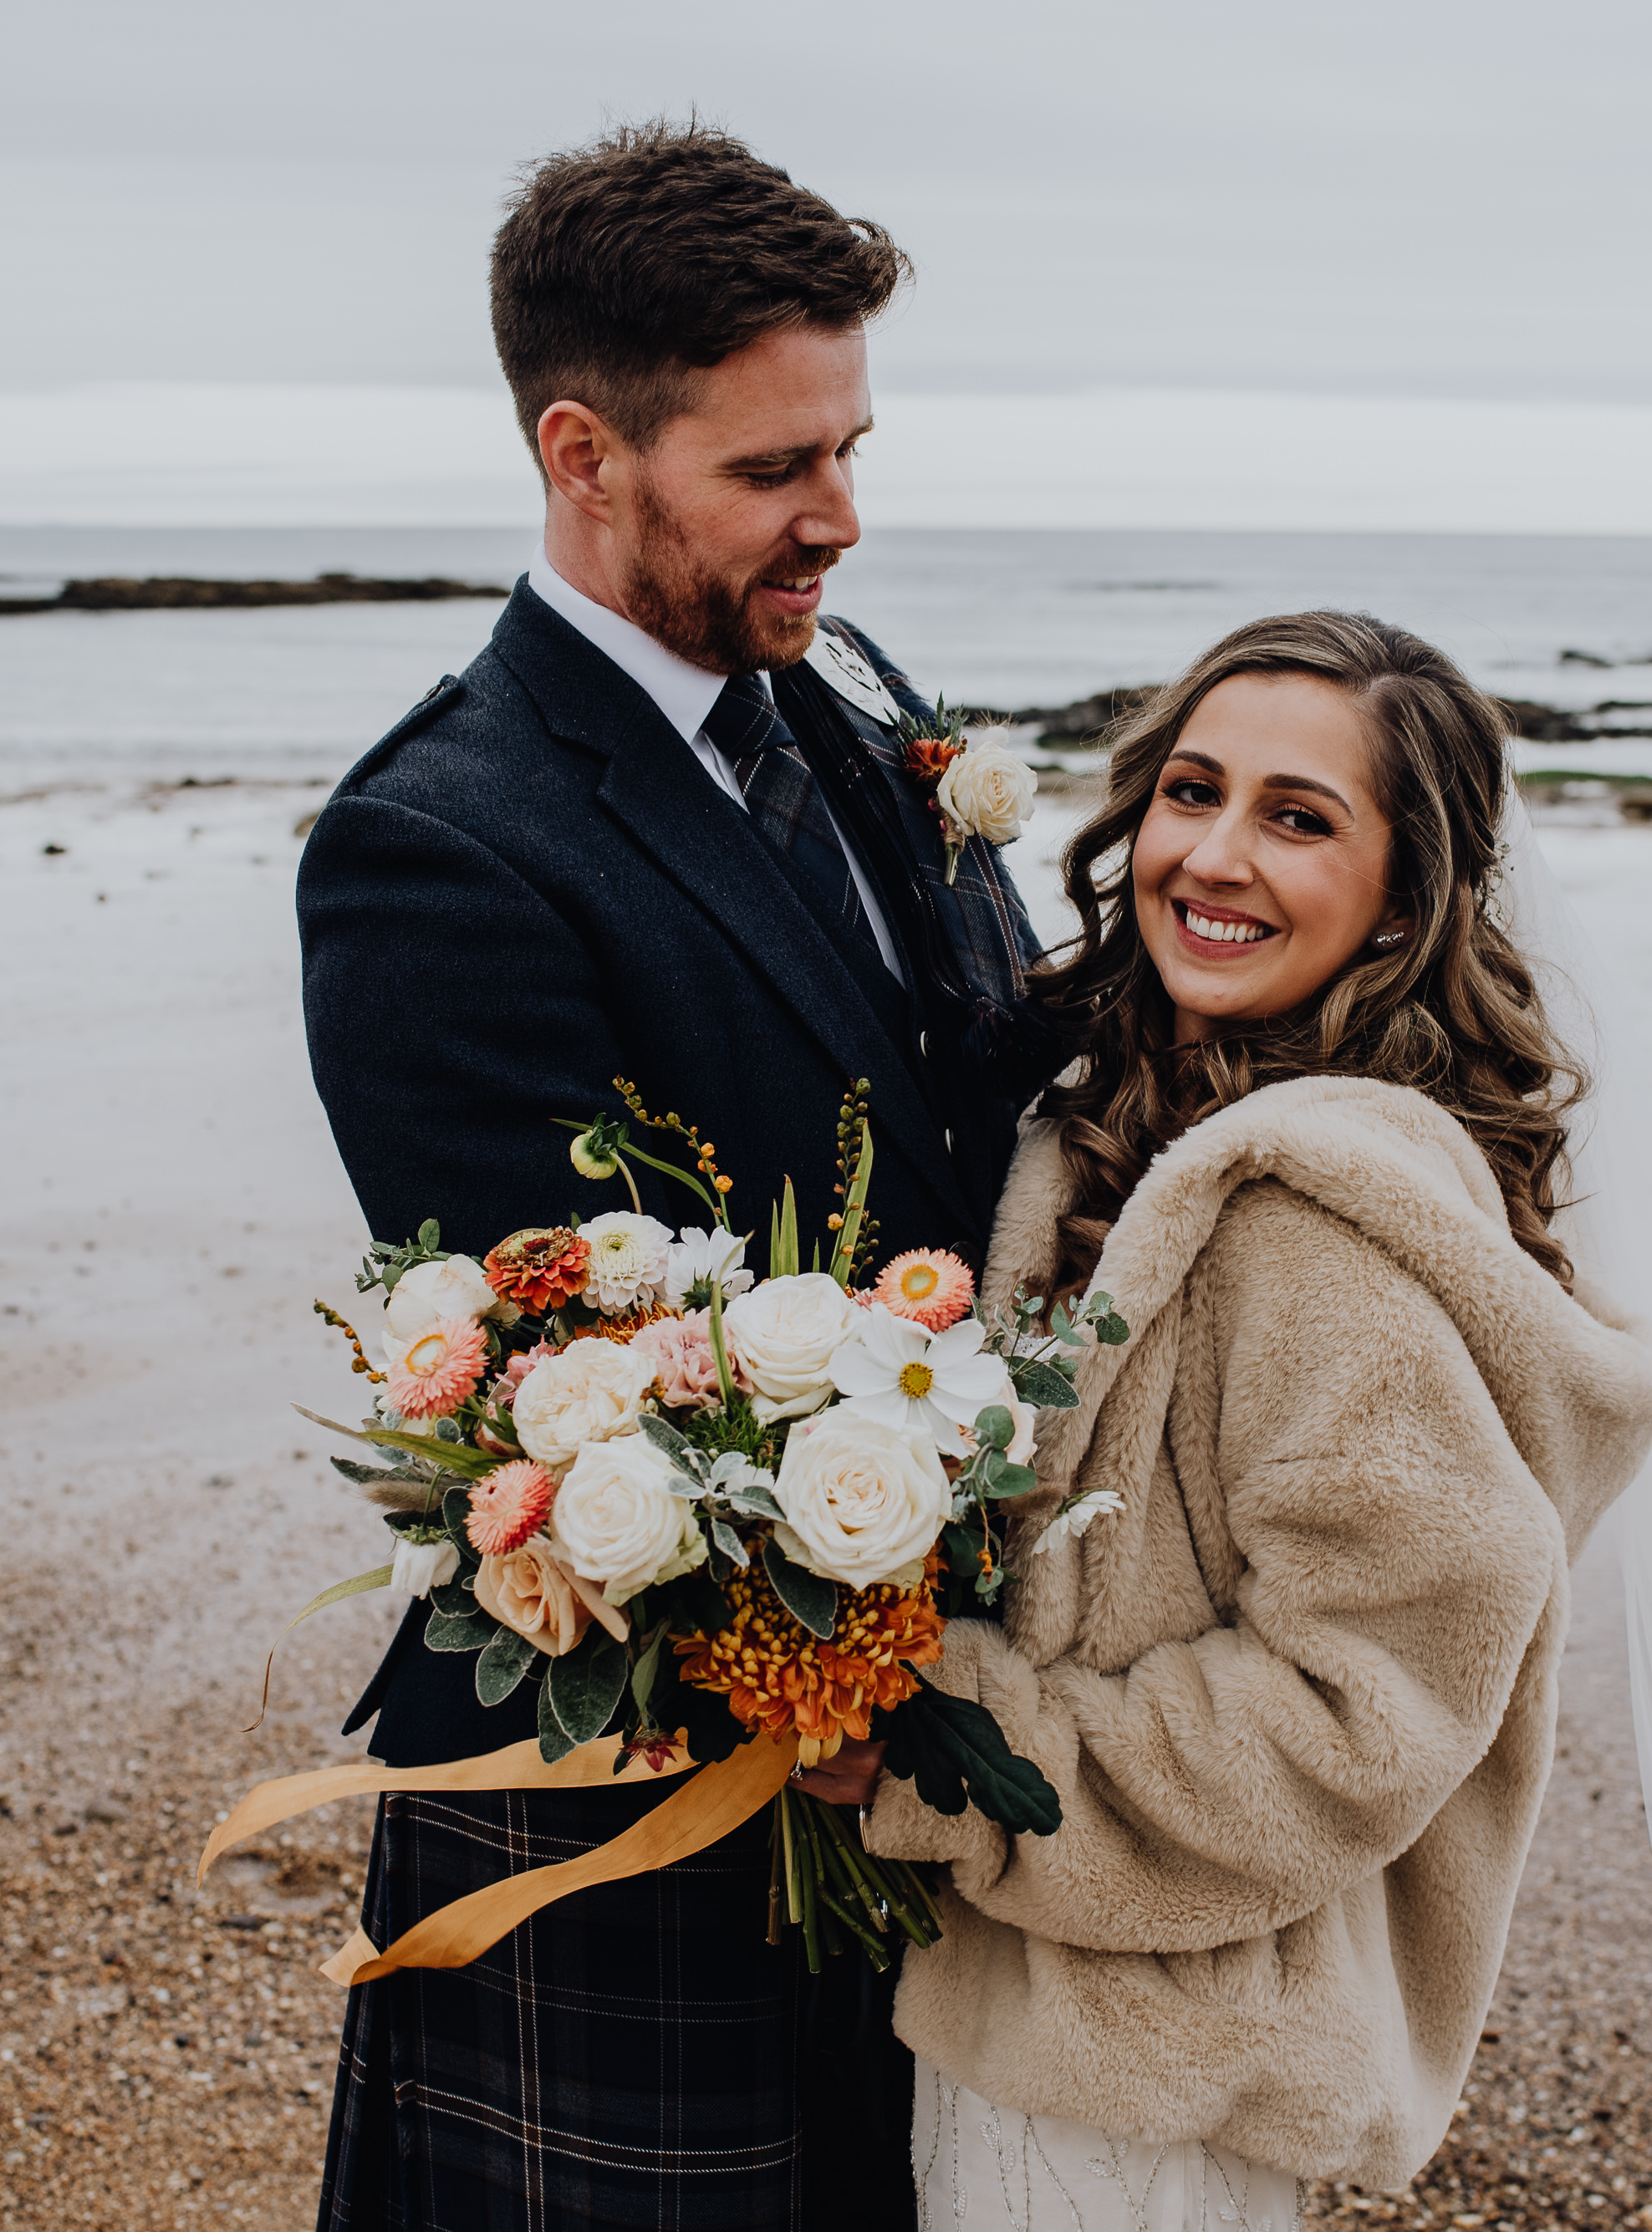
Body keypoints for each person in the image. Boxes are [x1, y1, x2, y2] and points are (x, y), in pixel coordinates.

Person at [294, 122, 1051, 2230]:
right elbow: (572, 1364)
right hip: (630, 1750)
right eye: (773, 472)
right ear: (580, 453)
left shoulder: (836, 708)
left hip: (889, 1722)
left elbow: (973, 1109)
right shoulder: (435, 846)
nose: (841, 520)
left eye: (852, 447)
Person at [859, 613, 1652, 2228]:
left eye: (1300, 819)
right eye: (1192, 791)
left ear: (1405, 896)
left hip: (1149, 2059)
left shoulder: (1318, 1225)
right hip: (1057, 1995)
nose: (1215, 855)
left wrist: (949, 1745)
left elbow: (1360, 1705)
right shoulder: (1121, 1123)